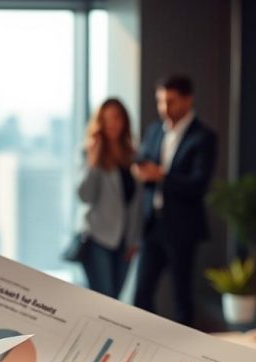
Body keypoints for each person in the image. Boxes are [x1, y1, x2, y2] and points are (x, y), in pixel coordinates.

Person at [131, 75, 217, 329]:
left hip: (182, 227)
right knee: (141, 294)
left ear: (188, 100)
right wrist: (143, 173)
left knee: (182, 294)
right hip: (152, 224)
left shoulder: (203, 137)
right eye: (160, 101)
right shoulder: (154, 130)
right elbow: (144, 162)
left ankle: (184, 355)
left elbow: (199, 184)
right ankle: (150, 347)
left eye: (171, 101)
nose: (164, 108)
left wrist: (161, 176)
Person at [76, 98, 141, 299]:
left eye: (117, 117)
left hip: (125, 239)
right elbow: (83, 195)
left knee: (116, 299)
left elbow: (136, 202)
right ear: (100, 123)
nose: (113, 123)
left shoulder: (132, 155)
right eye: (107, 119)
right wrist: (93, 163)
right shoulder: (88, 152)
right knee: (104, 299)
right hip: (98, 237)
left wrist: (134, 239)